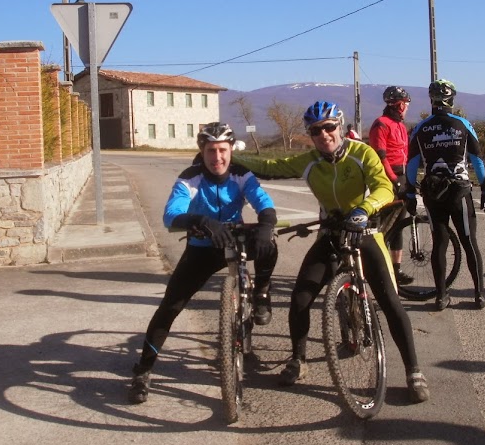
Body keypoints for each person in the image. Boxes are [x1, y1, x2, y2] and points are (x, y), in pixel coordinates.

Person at [234, 100, 429, 403]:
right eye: (316, 130)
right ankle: (297, 361)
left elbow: (383, 188)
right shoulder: (310, 160)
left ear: (340, 126)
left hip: (365, 233)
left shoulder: (362, 152)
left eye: (329, 127)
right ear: (310, 134)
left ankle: (413, 371)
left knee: (391, 301)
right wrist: (227, 156)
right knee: (300, 297)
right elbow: (271, 167)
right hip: (330, 234)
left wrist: (364, 209)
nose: (324, 134)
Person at [128, 122, 279, 404]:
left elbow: (262, 200)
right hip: (202, 247)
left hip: (235, 239)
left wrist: (265, 224)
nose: (217, 157)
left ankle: (261, 292)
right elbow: (171, 215)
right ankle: (143, 370)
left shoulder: (241, 175)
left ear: (231, 150)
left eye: (223, 150)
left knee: (269, 243)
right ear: (202, 150)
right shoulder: (191, 178)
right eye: (211, 150)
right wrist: (200, 220)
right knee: (170, 306)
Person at [406, 79, 485, 311]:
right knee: (469, 242)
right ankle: (479, 294)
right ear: (452, 99)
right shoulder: (462, 124)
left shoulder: (421, 128)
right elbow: (478, 161)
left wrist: (409, 193)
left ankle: (441, 296)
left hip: (433, 193)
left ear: (431, 100)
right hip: (459, 191)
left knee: (440, 245)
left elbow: (412, 164)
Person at [369, 85, 414, 286]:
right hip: (389, 176)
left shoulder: (401, 126)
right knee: (384, 225)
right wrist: (394, 180)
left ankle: (396, 270)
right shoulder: (382, 124)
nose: (406, 108)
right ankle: (378, 267)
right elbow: (380, 157)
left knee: (398, 225)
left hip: (402, 175)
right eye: (405, 104)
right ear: (398, 104)